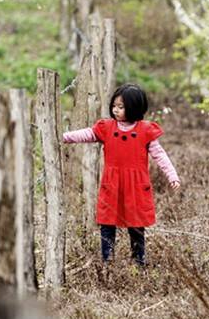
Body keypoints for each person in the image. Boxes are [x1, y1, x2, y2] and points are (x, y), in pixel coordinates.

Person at [62, 83, 180, 269]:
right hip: (112, 184)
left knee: (136, 226)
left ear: (134, 107)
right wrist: (65, 136)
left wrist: (172, 175)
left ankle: (139, 262)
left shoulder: (145, 130)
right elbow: (87, 133)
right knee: (107, 223)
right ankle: (107, 261)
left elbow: (160, 155)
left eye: (121, 107)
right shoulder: (107, 127)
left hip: (135, 186)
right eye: (114, 106)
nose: (115, 110)